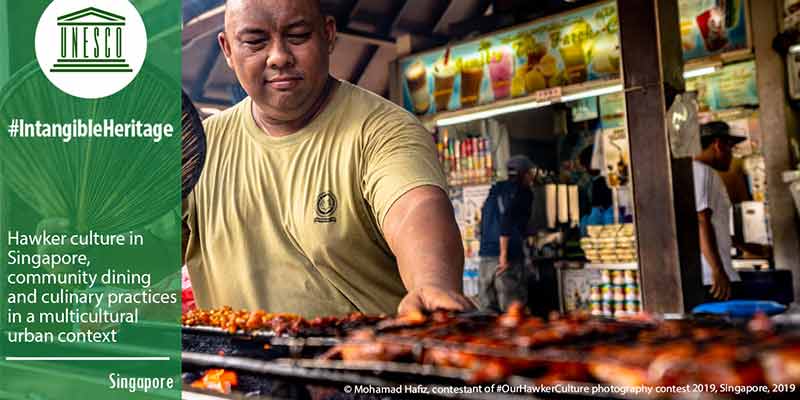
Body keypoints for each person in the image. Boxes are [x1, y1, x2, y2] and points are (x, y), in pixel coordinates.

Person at [182, 0, 472, 317]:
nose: (279, 56)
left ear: (329, 34)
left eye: (298, 35)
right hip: (229, 365)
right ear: (227, 48)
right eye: (255, 41)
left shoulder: (382, 130)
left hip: (365, 362)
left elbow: (412, 209)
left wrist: (431, 283)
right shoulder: (196, 150)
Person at [693, 121, 744, 301]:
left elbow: (711, 222)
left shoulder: (701, 173)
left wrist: (738, 244)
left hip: (711, 276)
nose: (732, 155)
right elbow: (701, 221)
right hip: (713, 280)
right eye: (731, 148)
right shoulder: (702, 172)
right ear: (718, 145)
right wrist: (718, 270)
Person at [477, 155, 535, 312]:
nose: (532, 177)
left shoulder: (495, 190)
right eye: (531, 173)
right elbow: (506, 220)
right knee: (512, 310)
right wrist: (503, 254)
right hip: (508, 257)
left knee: (488, 310)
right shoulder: (523, 192)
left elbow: (481, 222)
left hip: (486, 256)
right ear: (525, 174)